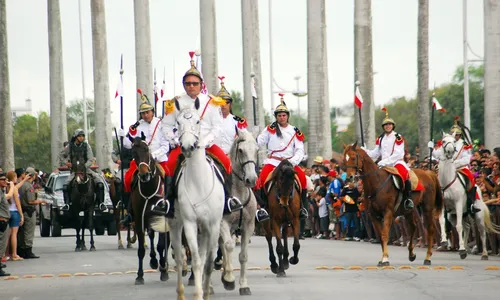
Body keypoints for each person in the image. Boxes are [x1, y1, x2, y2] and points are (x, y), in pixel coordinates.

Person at [161, 53, 244, 217]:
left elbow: (217, 127)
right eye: (188, 83)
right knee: (169, 166)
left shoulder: (211, 102)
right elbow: (166, 126)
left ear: (201, 84)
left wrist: (205, 142)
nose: (191, 86)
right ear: (184, 85)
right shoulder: (175, 103)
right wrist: (176, 139)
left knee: (227, 163)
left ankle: (228, 200)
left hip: (207, 145)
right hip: (183, 144)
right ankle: (168, 204)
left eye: (195, 83)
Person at [119, 89, 171, 225]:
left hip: (158, 159)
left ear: (152, 112)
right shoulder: (137, 126)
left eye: (148, 112)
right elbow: (127, 145)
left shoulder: (161, 124)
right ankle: (130, 211)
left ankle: (170, 206)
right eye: (143, 113)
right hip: (141, 161)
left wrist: (152, 156)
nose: (145, 115)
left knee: (170, 176)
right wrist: (127, 135)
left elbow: (166, 145)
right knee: (128, 178)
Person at [255, 93, 308, 222]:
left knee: (303, 179)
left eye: (284, 115)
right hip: (273, 162)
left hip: (290, 162)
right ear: (276, 117)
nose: (282, 117)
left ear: (287, 116)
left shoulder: (295, 131)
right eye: (279, 115)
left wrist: (293, 162)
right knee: (260, 180)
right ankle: (263, 208)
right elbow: (258, 142)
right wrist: (253, 138)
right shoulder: (269, 129)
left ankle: (302, 208)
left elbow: (300, 150)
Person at [363, 108, 414, 210]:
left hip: (396, 162)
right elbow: (376, 153)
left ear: (393, 125)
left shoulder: (398, 137)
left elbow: (398, 153)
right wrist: (365, 151)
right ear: (383, 127)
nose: (388, 126)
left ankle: (408, 199)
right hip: (383, 164)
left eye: (389, 124)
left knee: (404, 175)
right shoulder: (380, 138)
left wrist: (384, 162)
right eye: (386, 125)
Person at [429, 116, 480, 214]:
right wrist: (431, 148)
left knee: (469, 179)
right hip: (447, 168)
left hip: (460, 168)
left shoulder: (464, 144)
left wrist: (455, 164)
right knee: (435, 180)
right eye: (454, 134)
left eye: (457, 135)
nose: (456, 136)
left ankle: (472, 203)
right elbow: (438, 154)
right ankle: (436, 202)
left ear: (460, 135)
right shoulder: (447, 143)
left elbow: (466, 158)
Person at [59, 129, 106, 211]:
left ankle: (101, 203)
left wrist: (84, 166)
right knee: (65, 186)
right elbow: (61, 155)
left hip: (86, 169)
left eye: (83, 136)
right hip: (74, 171)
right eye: (80, 136)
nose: (82, 138)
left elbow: (90, 159)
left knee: (100, 183)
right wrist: (67, 163)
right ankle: (66, 204)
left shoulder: (86, 146)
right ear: (76, 137)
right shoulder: (70, 146)